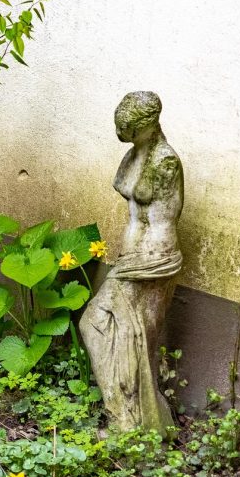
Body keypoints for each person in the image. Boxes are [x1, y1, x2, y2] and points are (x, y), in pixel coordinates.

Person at [80, 91, 183, 436]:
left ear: (148, 124)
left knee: (103, 326)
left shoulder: (165, 162)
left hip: (154, 261)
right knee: (113, 332)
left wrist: (141, 258)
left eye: (128, 127)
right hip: (131, 258)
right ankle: (127, 420)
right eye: (118, 125)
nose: (119, 132)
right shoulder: (133, 154)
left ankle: (129, 424)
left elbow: (160, 216)